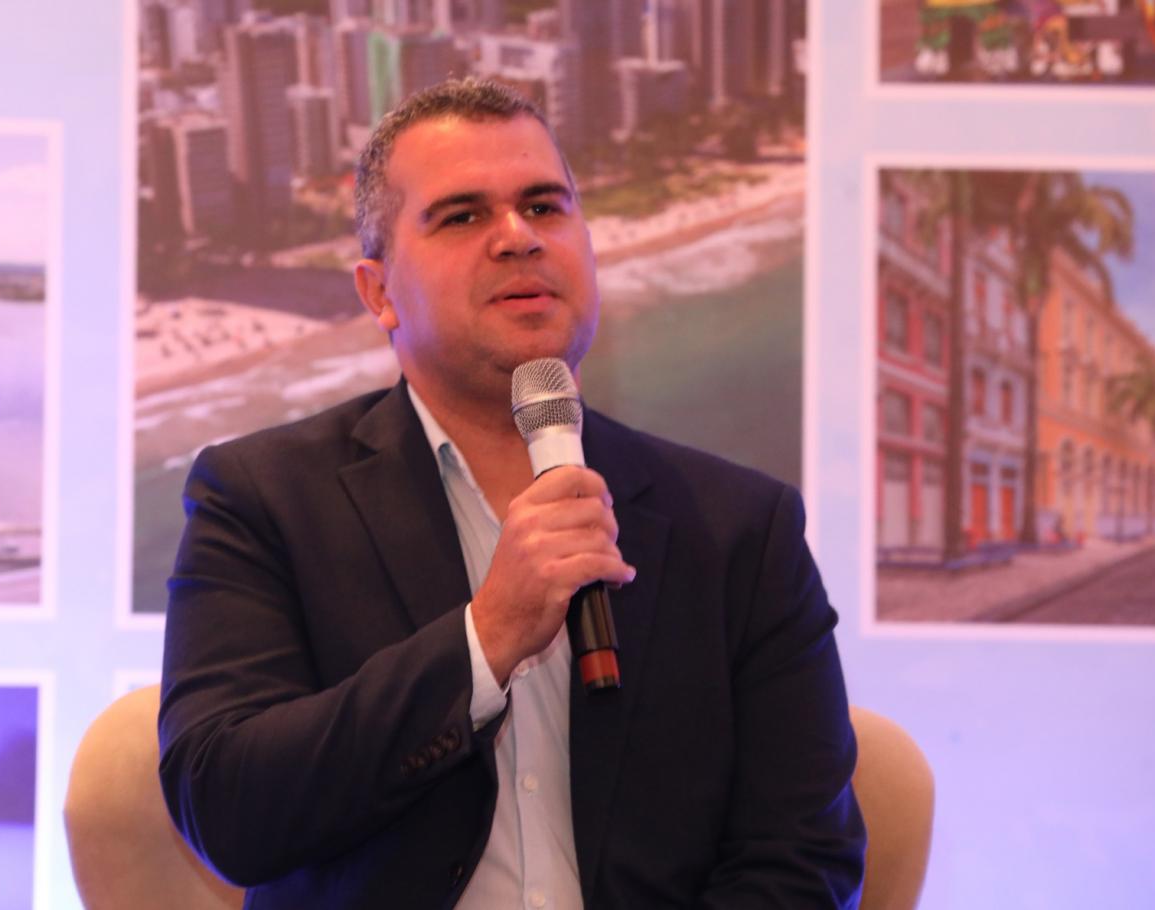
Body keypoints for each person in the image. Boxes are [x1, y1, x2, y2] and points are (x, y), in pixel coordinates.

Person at [159, 78, 865, 909]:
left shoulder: (742, 528)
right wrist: (485, 639)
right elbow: (227, 806)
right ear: (379, 293)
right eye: (462, 216)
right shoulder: (262, 499)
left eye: (543, 206)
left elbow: (803, 861)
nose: (518, 237)